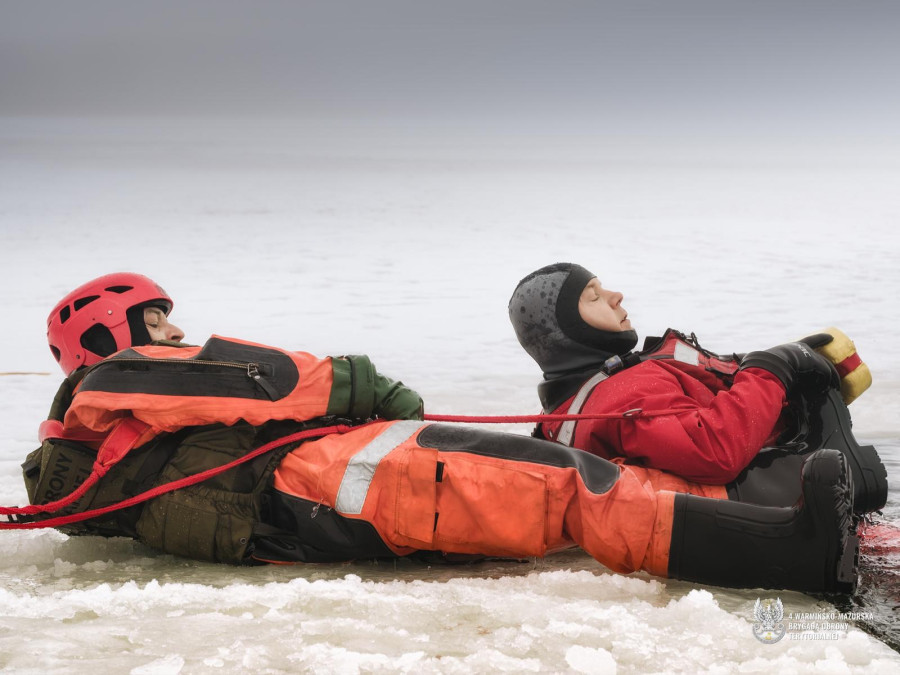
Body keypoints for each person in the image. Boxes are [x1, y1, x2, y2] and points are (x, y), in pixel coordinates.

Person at [7, 272, 860, 593]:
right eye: (156, 320)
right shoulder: (114, 380)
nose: (175, 332)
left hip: (304, 520)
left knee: (551, 505)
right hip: (339, 475)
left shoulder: (93, 463)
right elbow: (259, 377)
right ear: (112, 337)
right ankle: (789, 552)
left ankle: (763, 518)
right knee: (569, 487)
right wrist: (364, 385)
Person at [508, 262, 887, 514]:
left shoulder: (572, 405)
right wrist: (772, 369)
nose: (615, 296)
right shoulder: (622, 394)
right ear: (567, 332)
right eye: (594, 297)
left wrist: (772, 366)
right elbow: (713, 449)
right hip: (782, 514)